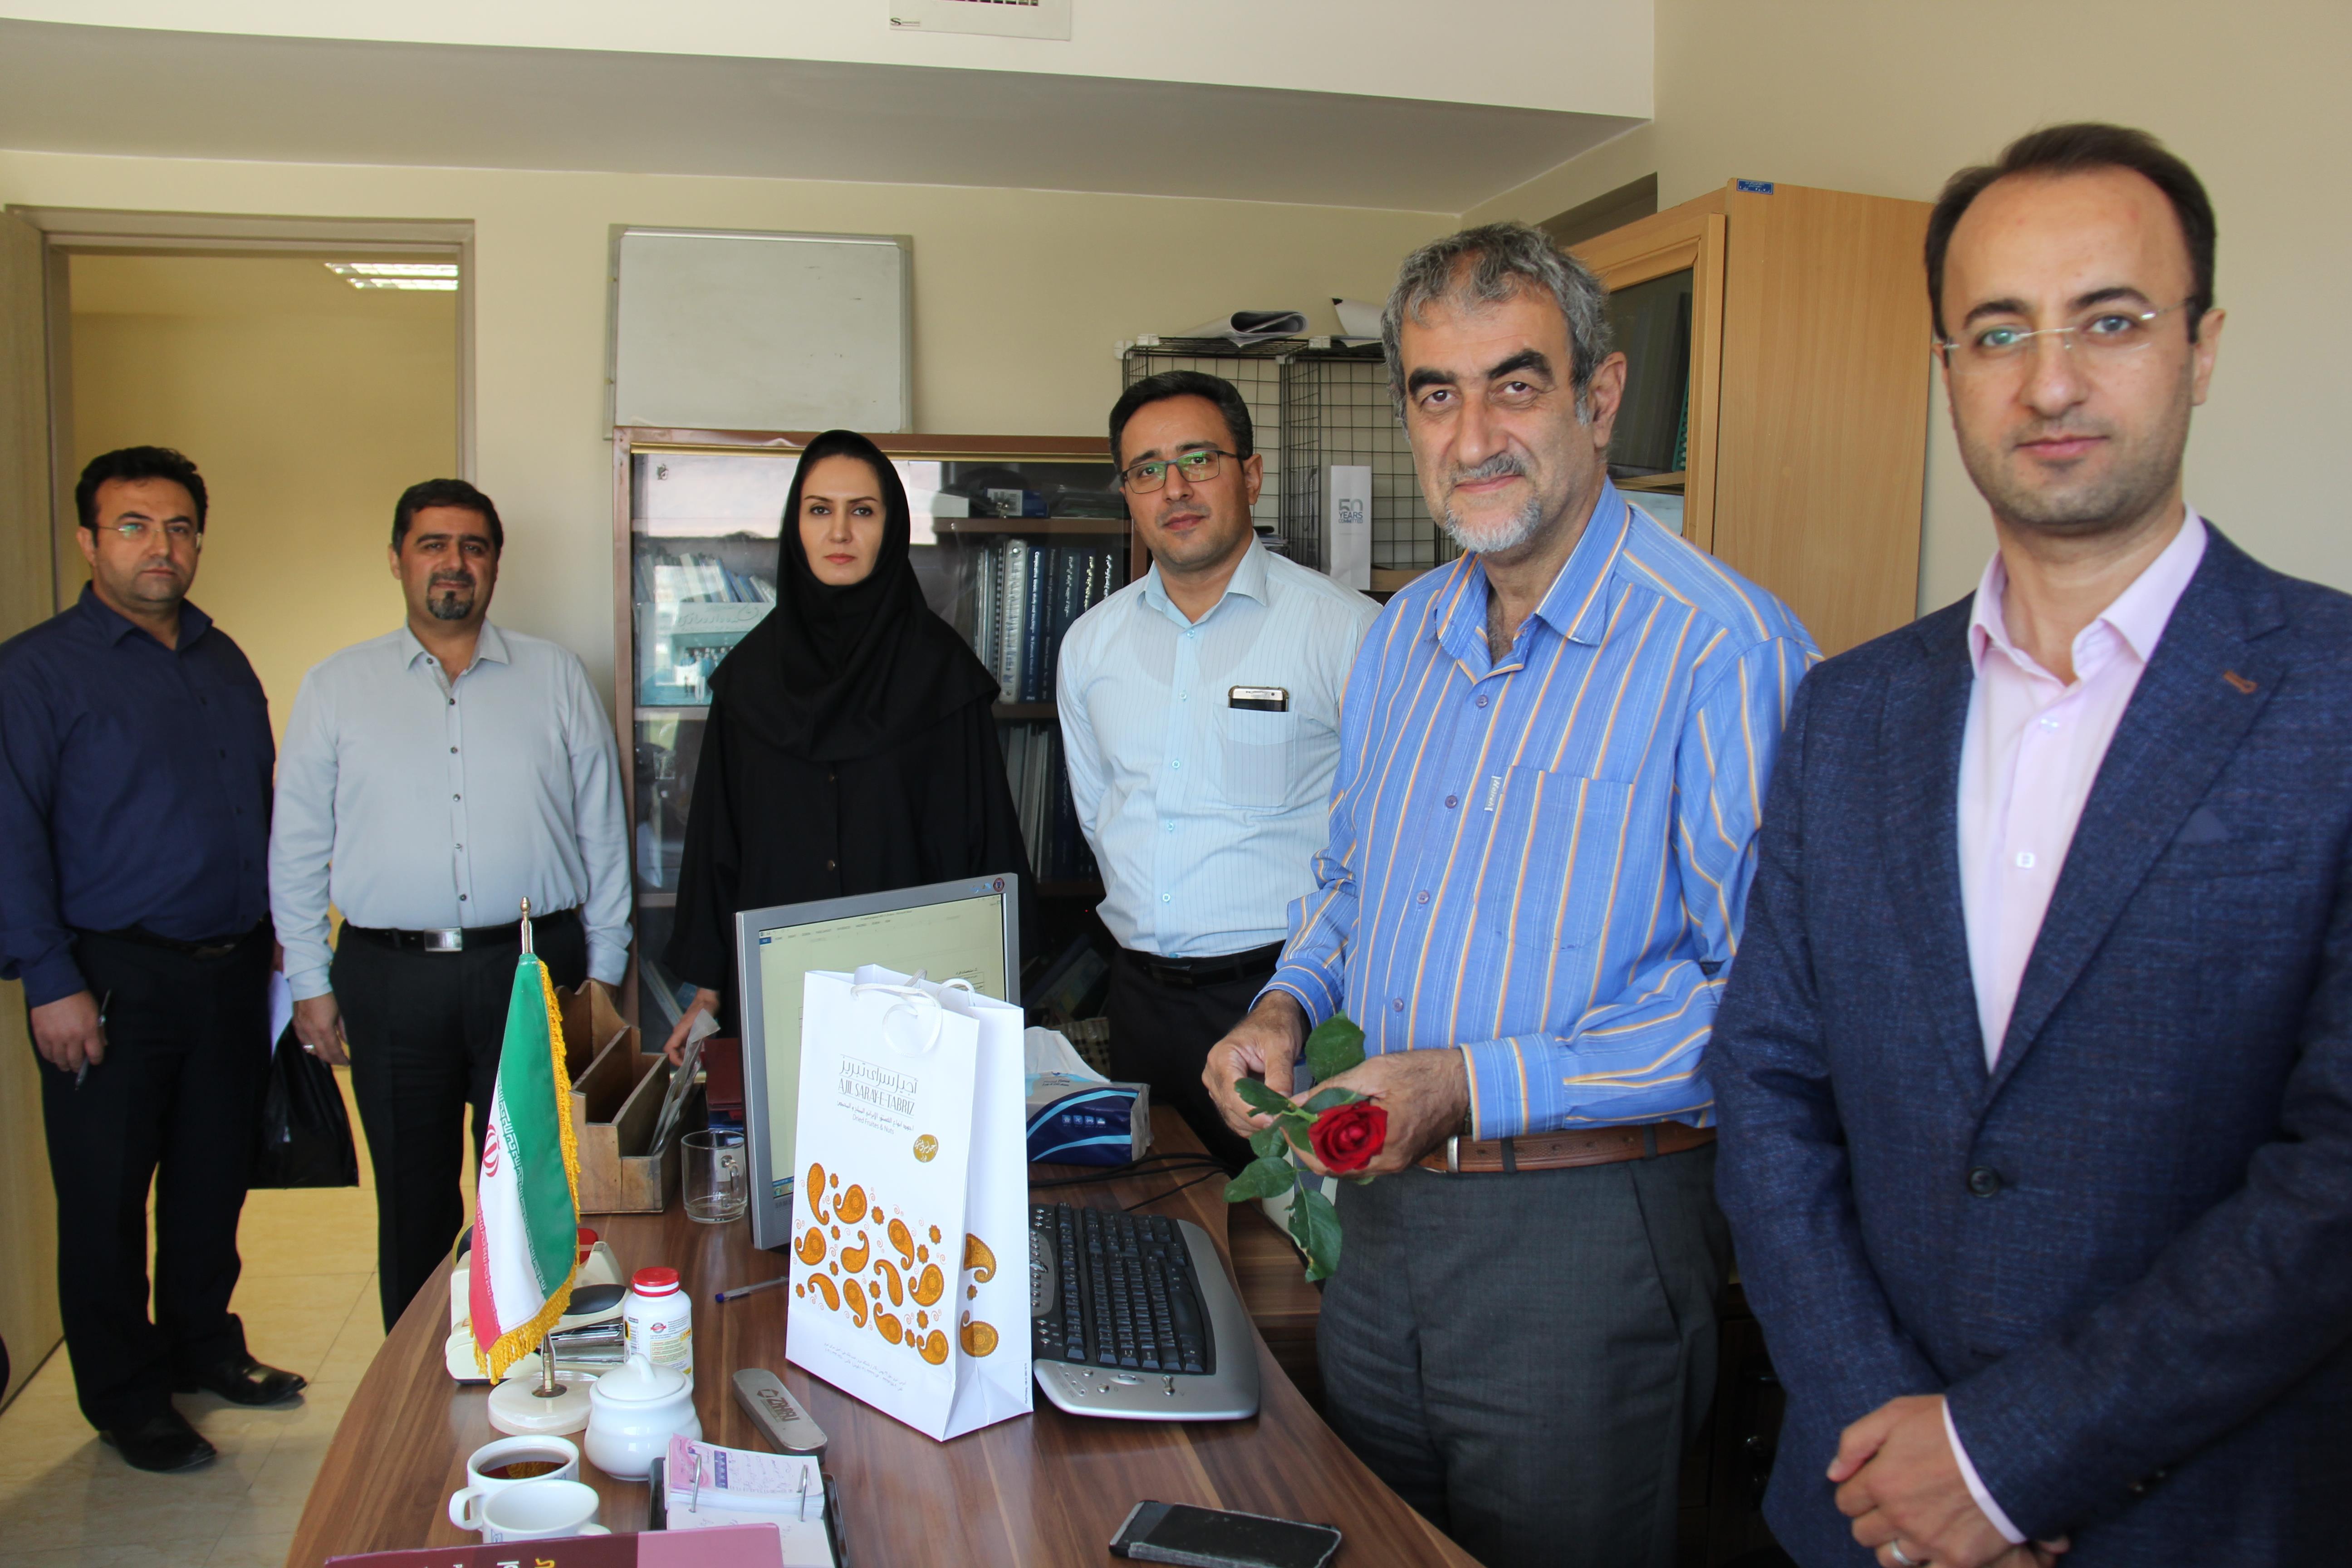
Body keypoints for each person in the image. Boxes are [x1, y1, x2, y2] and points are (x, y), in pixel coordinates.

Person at [1710, 123, 2352, 1568]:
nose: (2050, 383)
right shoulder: (1850, 711)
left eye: (2109, 322)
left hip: (2199, 1517)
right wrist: (1886, 1433)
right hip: (1862, 1506)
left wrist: (2007, 1459)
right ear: (1948, 369)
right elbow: (1767, 1084)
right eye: (1998, 333)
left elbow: (2337, 1176)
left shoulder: (2332, 695)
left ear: (2201, 346)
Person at [1203, 225, 1818, 1568]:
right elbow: (1351, 884)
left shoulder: (1725, 650)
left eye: (1516, 384)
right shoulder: (1403, 637)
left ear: (1600, 397)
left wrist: (1473, 1085)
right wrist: (1285, 1008)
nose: (1473, 435)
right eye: (1438, 392)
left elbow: (1770, 1014)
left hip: (1585, 1245)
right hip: (1379, 1225)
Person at [0, 447, 305, 1473]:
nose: (160, 546)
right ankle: (127, 1397)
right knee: (105, 1197)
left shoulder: (222, 659)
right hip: (108, 976)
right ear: (89, 542)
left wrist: (280, 937)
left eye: (178, 527)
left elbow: (260, 804)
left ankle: (202, 1347)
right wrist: (50, 979)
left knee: (212, 1182)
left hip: (231, 969)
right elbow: (10, 834)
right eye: (133, 526)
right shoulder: (36, 672)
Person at [271, 478, 631, 1332]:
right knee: (412, 1199)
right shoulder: (336, 688)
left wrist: (607, 968)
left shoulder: (555, 676)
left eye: (473, 546)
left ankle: (534, 1359)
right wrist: (309, 982)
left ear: (495, 565)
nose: (454, 563)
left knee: (534, 1192)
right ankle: (421, 1374)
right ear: (398, 559)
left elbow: (604, 828)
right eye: (432, 544)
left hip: (533, 968)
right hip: (390, 978)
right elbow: (296, 847)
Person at [1059, 371, 1378, 1172]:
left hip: (1286, 1003)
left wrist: (1295, 995)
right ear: (1128, 494)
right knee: (1156, 1220)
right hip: (1138, 1004)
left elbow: (1383, 842)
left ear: (1252, 474)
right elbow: (1101, 814)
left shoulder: (1348, 632)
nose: (1174, 488)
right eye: (1147, 469)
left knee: (1291, 1226)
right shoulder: (1090, 646)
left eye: (1198, 460)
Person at [661, 429, 1029, 1060]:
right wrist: (708, 990)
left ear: (892, 526)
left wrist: (991, 995)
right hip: (782, 993)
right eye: (819, 510)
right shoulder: (750, 681)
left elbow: (986, 848)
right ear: (795, 527)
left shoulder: (942, 674)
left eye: (862, 511)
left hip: (921, 1002)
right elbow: (718, 846)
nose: (839, 532)